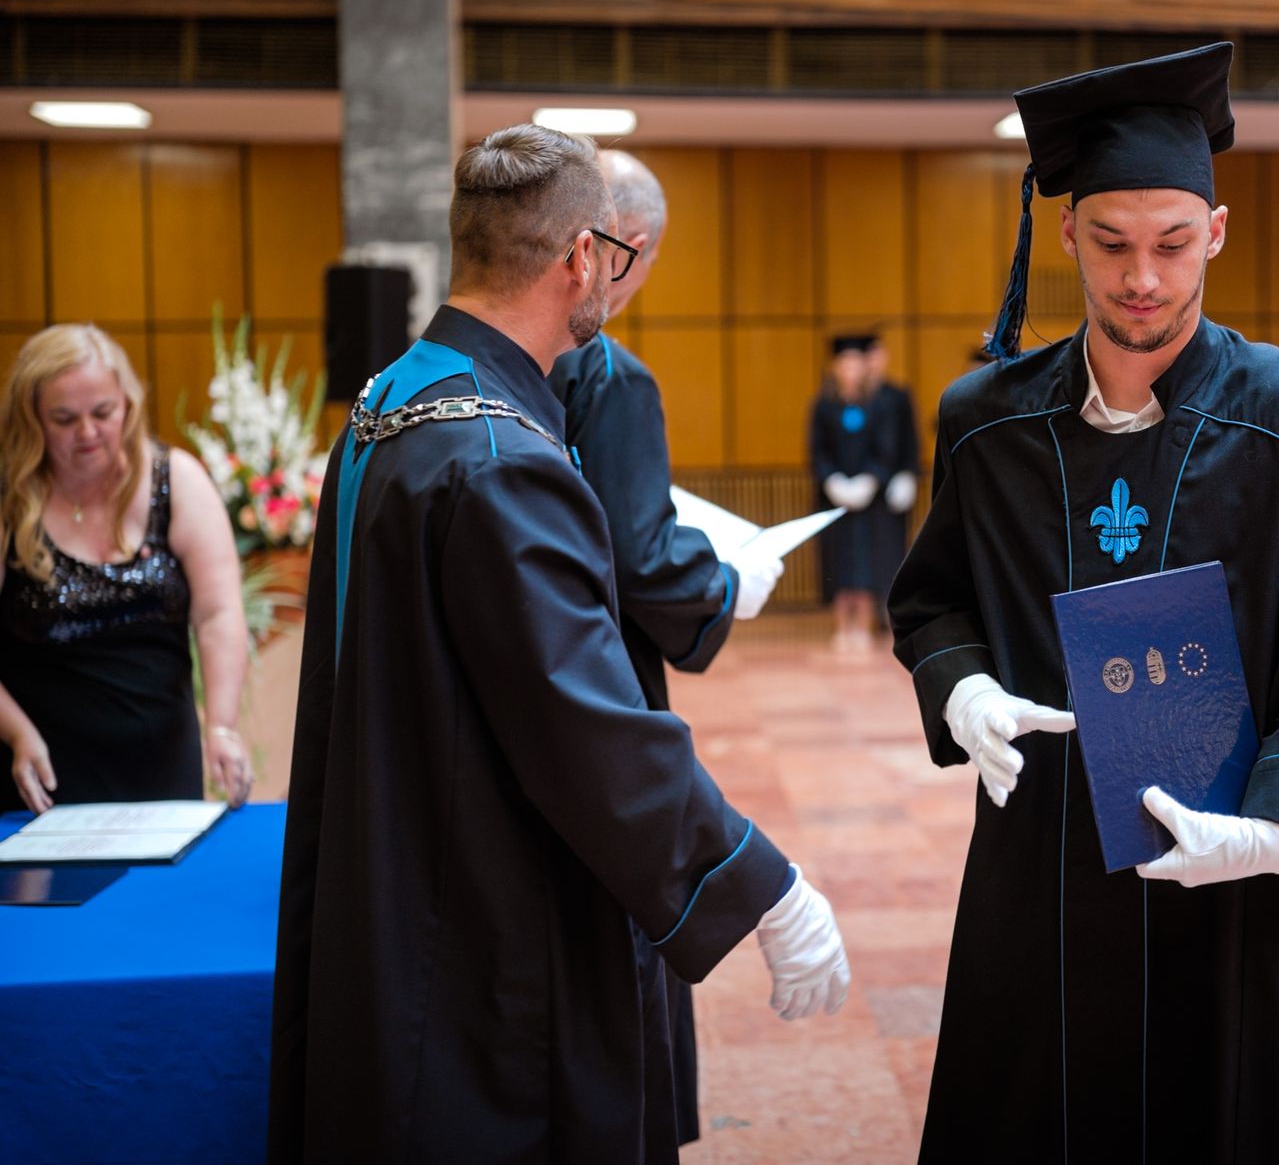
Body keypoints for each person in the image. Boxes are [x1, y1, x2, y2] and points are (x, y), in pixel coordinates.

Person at [270, 125, 850, 1160]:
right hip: (482, 907)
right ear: (585, 255)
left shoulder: (391, 395)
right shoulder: (501, 459)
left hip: (394, 845)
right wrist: (762, 882)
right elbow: (591, 729)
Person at [889, 43, 1279, 1163]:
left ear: (1216, 232)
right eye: (1112, 243)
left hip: (1243, 874)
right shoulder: (987, 422)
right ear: (1067, 232)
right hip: (1049, 869)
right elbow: (932, 603)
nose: (1142, 278)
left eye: (1172, 243)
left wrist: (1275, 827)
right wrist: (964, 690)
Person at [544, 148, 784, 1149]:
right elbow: (641, 558)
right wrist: (726, 583)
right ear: (628, 248)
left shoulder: (475, 367)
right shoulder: (609, 375)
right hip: (598, 689)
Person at [0, 324, 252, 814]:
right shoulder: (10, 500)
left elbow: (218, 613)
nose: (88, 433)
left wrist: (222, 726)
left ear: (128, 405)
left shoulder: (176, 480)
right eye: (64, 419)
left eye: (103, 413)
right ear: (32, 419)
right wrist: (16, 733)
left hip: (162, 762)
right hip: (40, 770)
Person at [812, 331, 893, 652]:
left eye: (855, 363)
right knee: (838, 562)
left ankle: (863, 625)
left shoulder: (878, 405)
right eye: (844, 363)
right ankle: (842, 625)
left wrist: (870, 480)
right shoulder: (824, 405)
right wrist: (831, 479)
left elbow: (885, 448)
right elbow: (817, 449)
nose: (850, 369)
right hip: (834, 499)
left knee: (867, 561)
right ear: (836, 367)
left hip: (869, 500)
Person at [865, 332, 921, 621]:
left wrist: (908, 474)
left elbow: (910, 440)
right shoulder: (856, 398)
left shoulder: (898, 395)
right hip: (866, 487)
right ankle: (869, 611)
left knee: (893, 549)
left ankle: (892, 610)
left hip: (893, 487)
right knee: (864, 551)